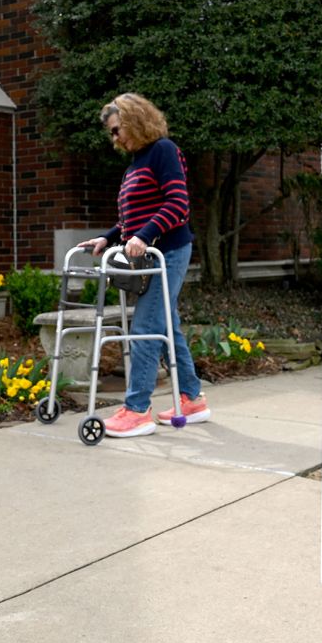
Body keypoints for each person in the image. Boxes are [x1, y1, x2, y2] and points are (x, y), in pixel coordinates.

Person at [77, 93, 209, 438]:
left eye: (117, 129)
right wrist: (108, 237)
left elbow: (178, 203)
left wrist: (145, 236)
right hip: (148, 253)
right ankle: (192, 398)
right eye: (111, 132)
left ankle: (137, 410)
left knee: (145, 326)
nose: (114, 138)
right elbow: (132, 218)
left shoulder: (163, 150)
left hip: (170, 251)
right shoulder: (135, 163)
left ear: (135, 119)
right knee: (166, 326)